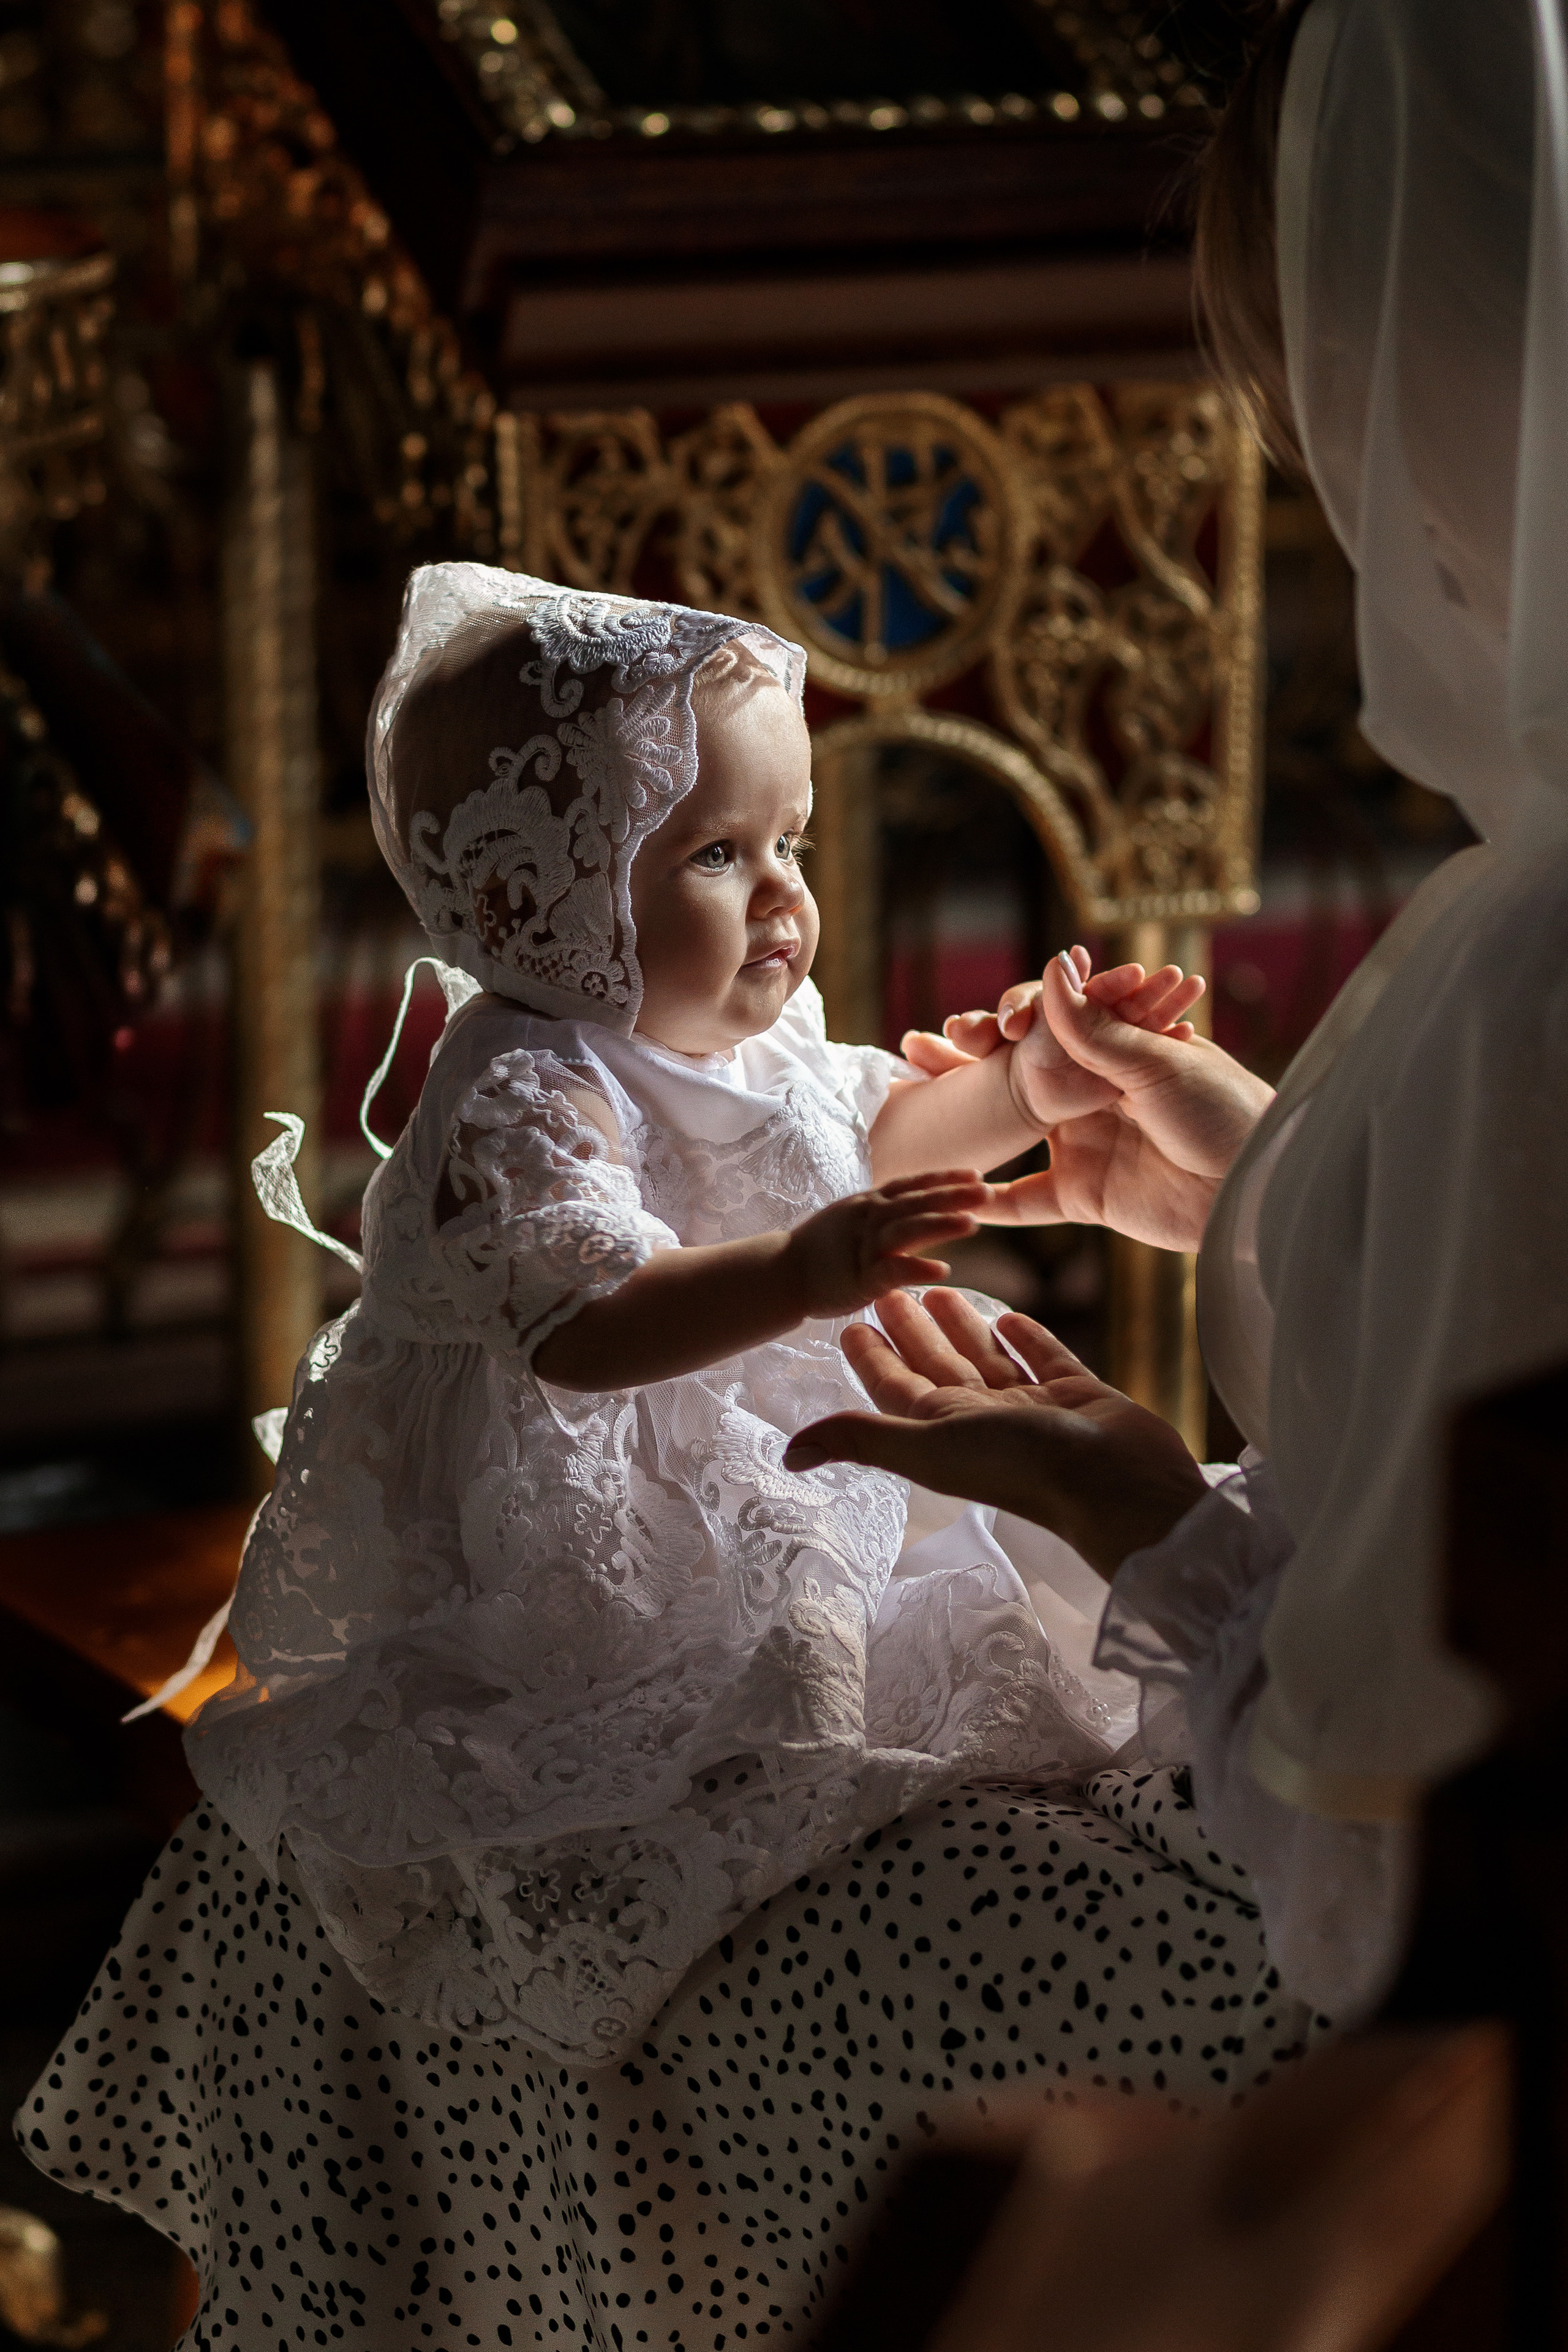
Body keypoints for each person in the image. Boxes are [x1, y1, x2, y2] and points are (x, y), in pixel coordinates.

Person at [16, 568, 1318, 2350]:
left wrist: (1042, 1082)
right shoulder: (520, 1094)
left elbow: (874, 1122)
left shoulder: (756, 1036)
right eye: (716, 856)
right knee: (685, 1709)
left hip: (798, 1461)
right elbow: (584, 1319)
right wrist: (796, 1274)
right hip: (612, 1524)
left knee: (918, 1652)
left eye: (787, 845)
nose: (785, 902)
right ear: (525, 892)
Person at [789, 0, 1568, 2041]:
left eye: (1344, 410)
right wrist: (1278, 1184)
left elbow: (1386, 1894)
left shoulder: (1537, 966)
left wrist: (1147, 1518)